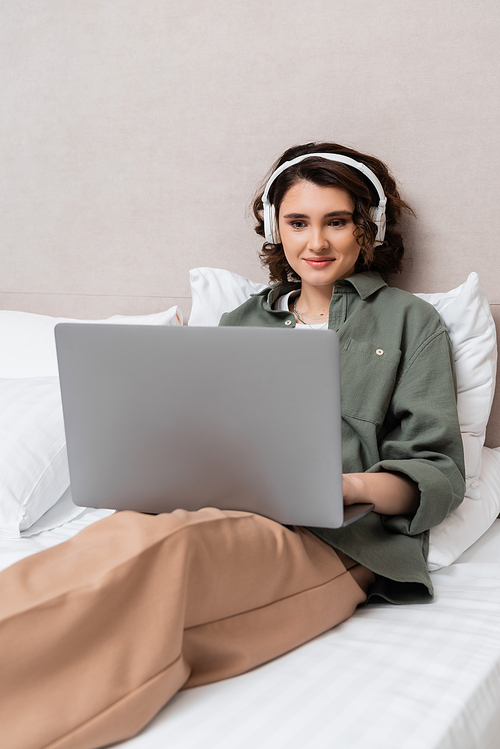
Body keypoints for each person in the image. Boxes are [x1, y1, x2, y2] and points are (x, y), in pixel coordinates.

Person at [0, 143, 465, 749]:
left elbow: (437, 469)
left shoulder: (409, 321)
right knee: (116, 539)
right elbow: (198, 436)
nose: (315, 242)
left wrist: (344, 487)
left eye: (336, 221)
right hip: (213, 507)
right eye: (298, 222)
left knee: (169, 552)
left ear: (366, 229)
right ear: (277, 228)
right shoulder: (242, 321)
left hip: (334, 535)